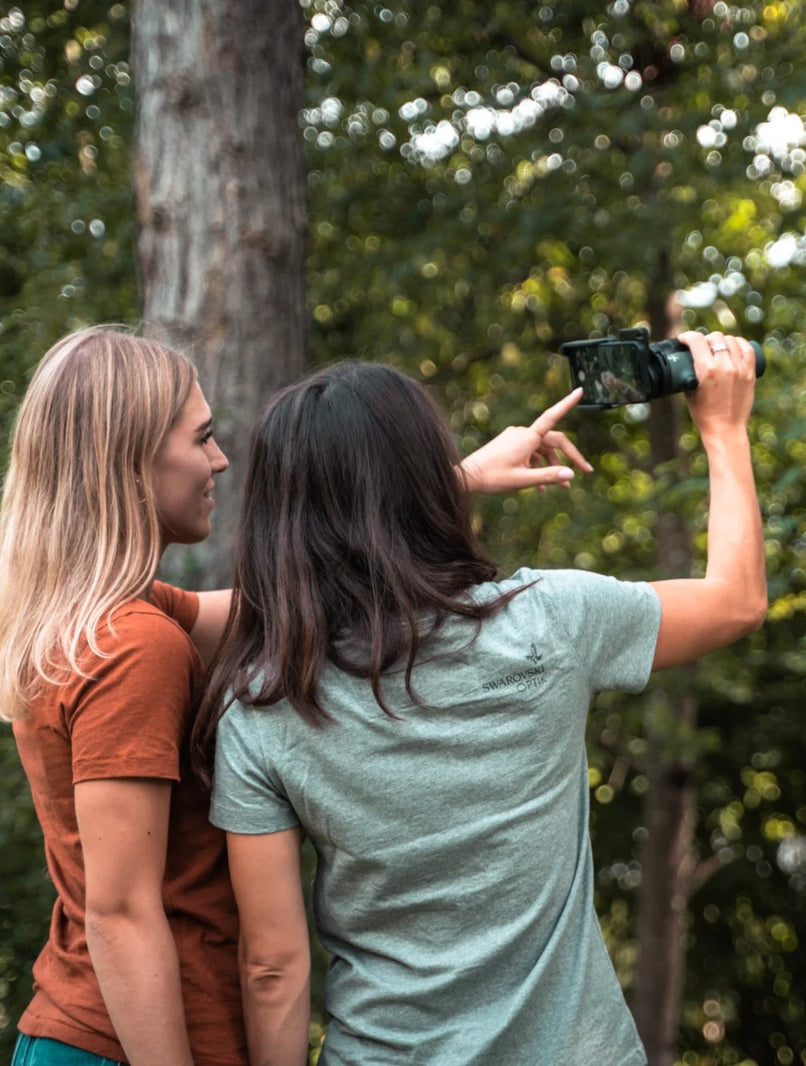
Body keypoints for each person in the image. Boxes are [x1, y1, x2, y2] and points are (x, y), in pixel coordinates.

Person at [0, 326, 593, 1066]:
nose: (220, 460)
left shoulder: (99, 623)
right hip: (134, 1046)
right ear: (130, 463)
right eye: (201, 439)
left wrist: (438, 483)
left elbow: (294, 594)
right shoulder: (133, 648)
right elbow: (122, 915)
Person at [198, 331, 766, 1065]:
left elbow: (273, 969)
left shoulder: (264, 709)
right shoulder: (548, 622)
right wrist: (723, 430)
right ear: (428, 482)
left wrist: (436, 484)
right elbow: (736, 600)